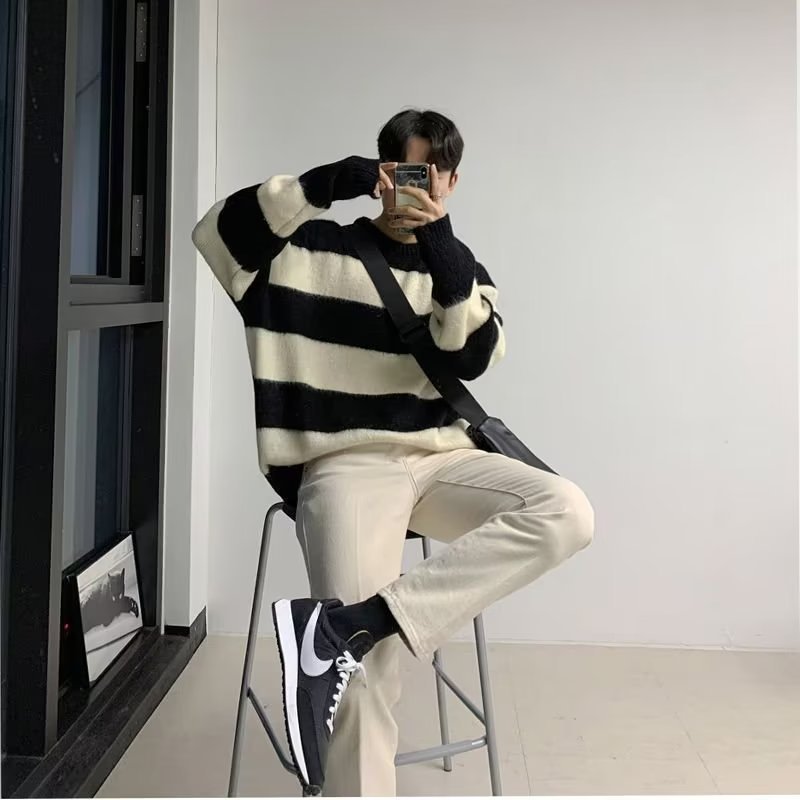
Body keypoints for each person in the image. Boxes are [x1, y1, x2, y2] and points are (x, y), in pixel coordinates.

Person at [193, 109, 594, 797]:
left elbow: (470, 357)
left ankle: (347, 629)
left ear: (452, 182)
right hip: (343, 462)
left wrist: (441, 248)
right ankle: (348, 645)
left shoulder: (460, 271)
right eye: (407, 171)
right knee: (364, 677)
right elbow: (215, 234)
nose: (419, 187)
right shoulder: (302, 249)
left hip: (440, 459)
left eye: (434, 175)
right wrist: (330, 182)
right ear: (383, 172)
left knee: (567, 512)